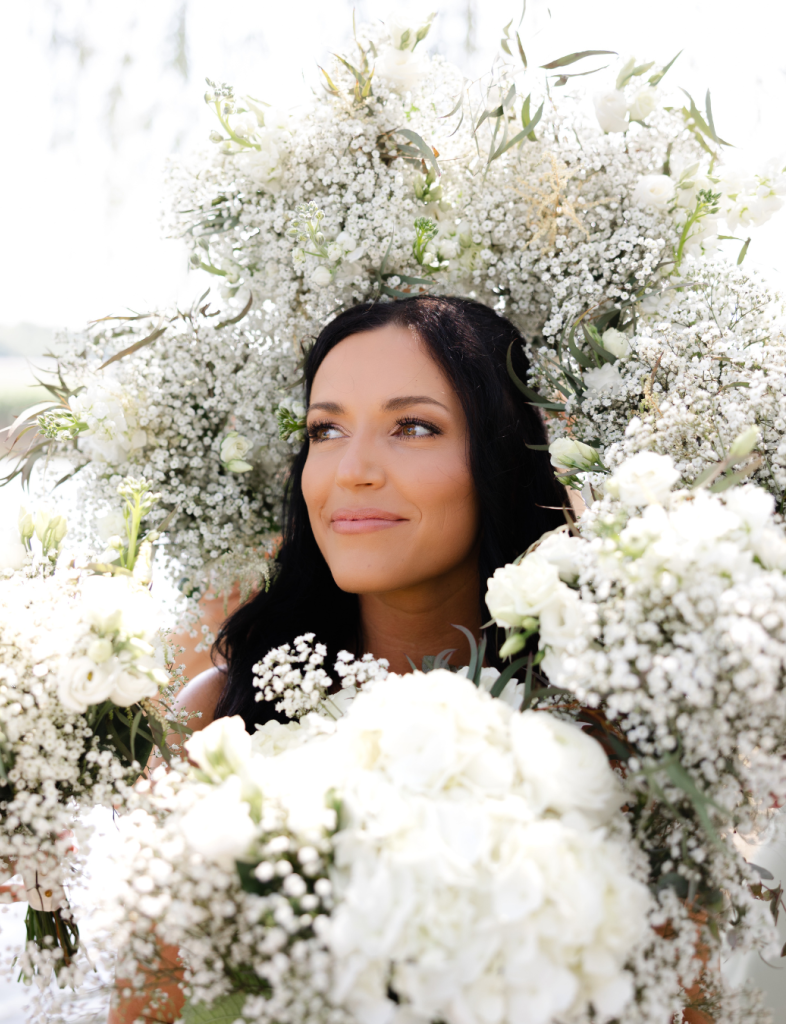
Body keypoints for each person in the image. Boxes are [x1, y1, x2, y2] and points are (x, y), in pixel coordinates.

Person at [108, 293, 570, 1023]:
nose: (350, 470)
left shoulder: (594, 732)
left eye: (412, 427)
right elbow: (149, 1003)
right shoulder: (214, 722)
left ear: (503, 458)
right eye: (325, 431)